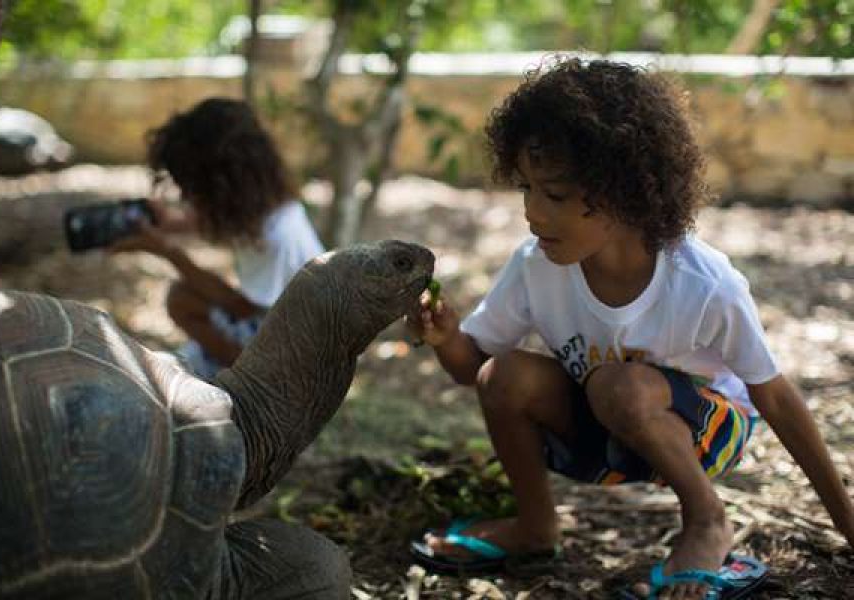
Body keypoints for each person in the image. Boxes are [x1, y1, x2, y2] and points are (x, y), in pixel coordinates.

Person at [407, 58, 854, 598]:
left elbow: (777, 399)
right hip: (605, 436)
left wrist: (846, 523)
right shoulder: (537, 265)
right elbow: (474, 371)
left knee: (620, 384)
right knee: (506, 375)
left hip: (707, 434)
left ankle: (707, 520)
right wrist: (446, 338)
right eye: (525, 188)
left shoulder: (703, 283)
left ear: (623, 191)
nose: (532, 212)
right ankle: (535, 526)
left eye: (553, 195)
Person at [110, 97, 324, 379]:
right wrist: (172, 224)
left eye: (193, 188)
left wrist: (168, 251)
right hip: (268, 321)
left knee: (182, 299)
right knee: (187, 297)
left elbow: (240, 307)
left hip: (291, 358)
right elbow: (226, 222)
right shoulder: (267, 207)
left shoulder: (279, 238)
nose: (187, 197)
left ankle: (241, 380)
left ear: (222, 186)